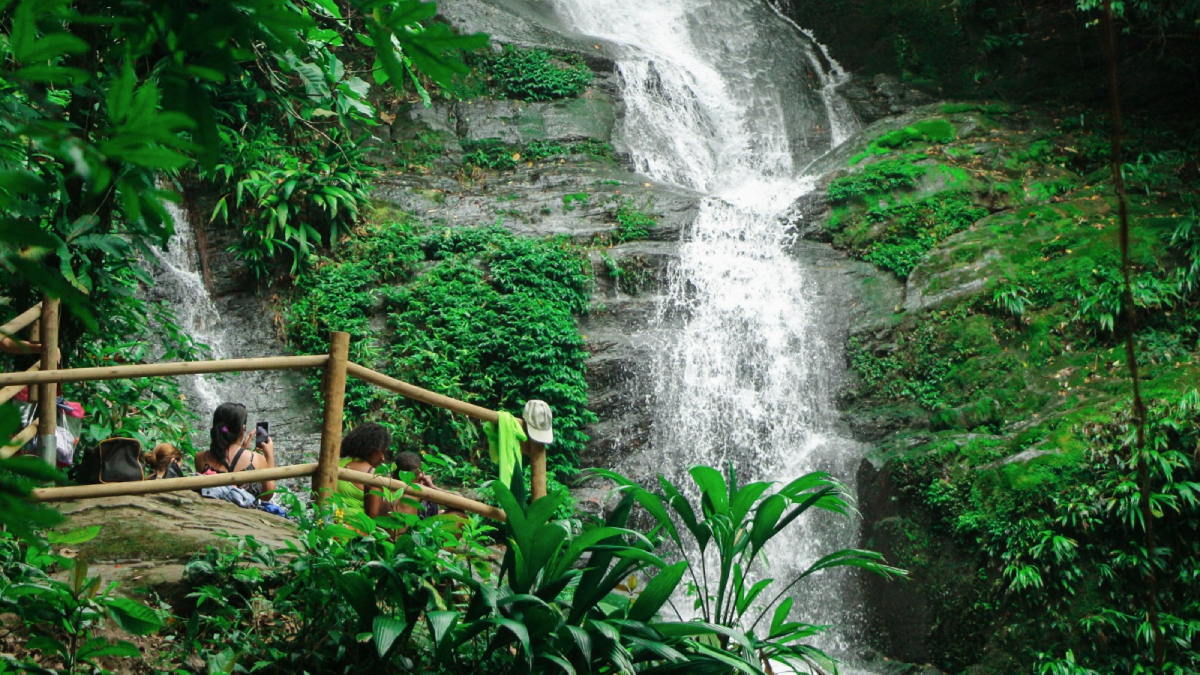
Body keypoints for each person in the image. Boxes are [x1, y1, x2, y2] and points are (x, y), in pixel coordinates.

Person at [194, 402, 277, 499]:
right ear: (243, 428)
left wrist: (242, 448)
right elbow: (267, 495)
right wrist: (269, 455)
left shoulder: (200, 458)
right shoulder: (256, 460)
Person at [334, 422, 392, 521]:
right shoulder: (372, 474)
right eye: (382, 452)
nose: (382, 458)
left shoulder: (336, 463)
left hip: (327, 525)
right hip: (354, 531)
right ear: (371, 449)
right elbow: (374, 517)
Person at [393, 451, 440, 519]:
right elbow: (459, 500)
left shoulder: (383, 489)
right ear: (420, 476)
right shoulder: (417, 489)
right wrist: (432, 487)